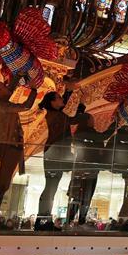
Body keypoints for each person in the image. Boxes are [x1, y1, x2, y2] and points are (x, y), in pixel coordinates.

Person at [0, 79, 37, 229]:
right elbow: (25, 106)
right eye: (3, 87)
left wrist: (17, 76)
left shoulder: (0, 103)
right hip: (9, 145)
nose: (7, 89)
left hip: (11, 145)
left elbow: (9, 91)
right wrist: (33, 90)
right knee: (2, 183)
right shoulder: (0, 105)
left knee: (3, 183)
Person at [36, 86, 85, 230]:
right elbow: (74, 119)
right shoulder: (56, 115)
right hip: (55, 152)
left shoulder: (54, 114)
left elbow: (64, 112)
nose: (61, 99)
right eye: (58, 98)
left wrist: (69, 91)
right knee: (51, 187)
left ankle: (43, 218)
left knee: (51, 186)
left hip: (54, 151)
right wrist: (82, 106)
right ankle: (43, 219)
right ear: (52, 102)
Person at [67, 113, 110, 227]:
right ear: (87, 121)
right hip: (90, 168)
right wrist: (114, 125)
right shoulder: (88, 133)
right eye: (92, 119)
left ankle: (70, 219)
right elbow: (103, 137)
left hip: (80, 167)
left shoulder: (78, 133)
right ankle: (80, 220)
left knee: (77, 195)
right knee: (86, 195)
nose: (93, 122)